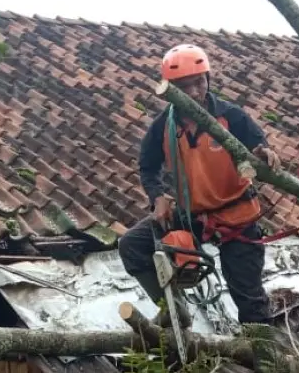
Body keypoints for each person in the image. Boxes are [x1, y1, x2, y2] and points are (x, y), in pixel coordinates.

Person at [118, 43, 281, 328]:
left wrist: (263, 155)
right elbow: (147, 166)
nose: (193, 92)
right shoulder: (162, 127)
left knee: (250, 300)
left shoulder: (231, 117)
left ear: (208, 79)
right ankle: (173, 309)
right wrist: (157, 196)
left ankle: (266, 365)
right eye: (183, 86)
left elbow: (258, 146)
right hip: (190, 214)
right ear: (170, 89)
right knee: (132, 245)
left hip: (236, 214)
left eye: (198, 82)